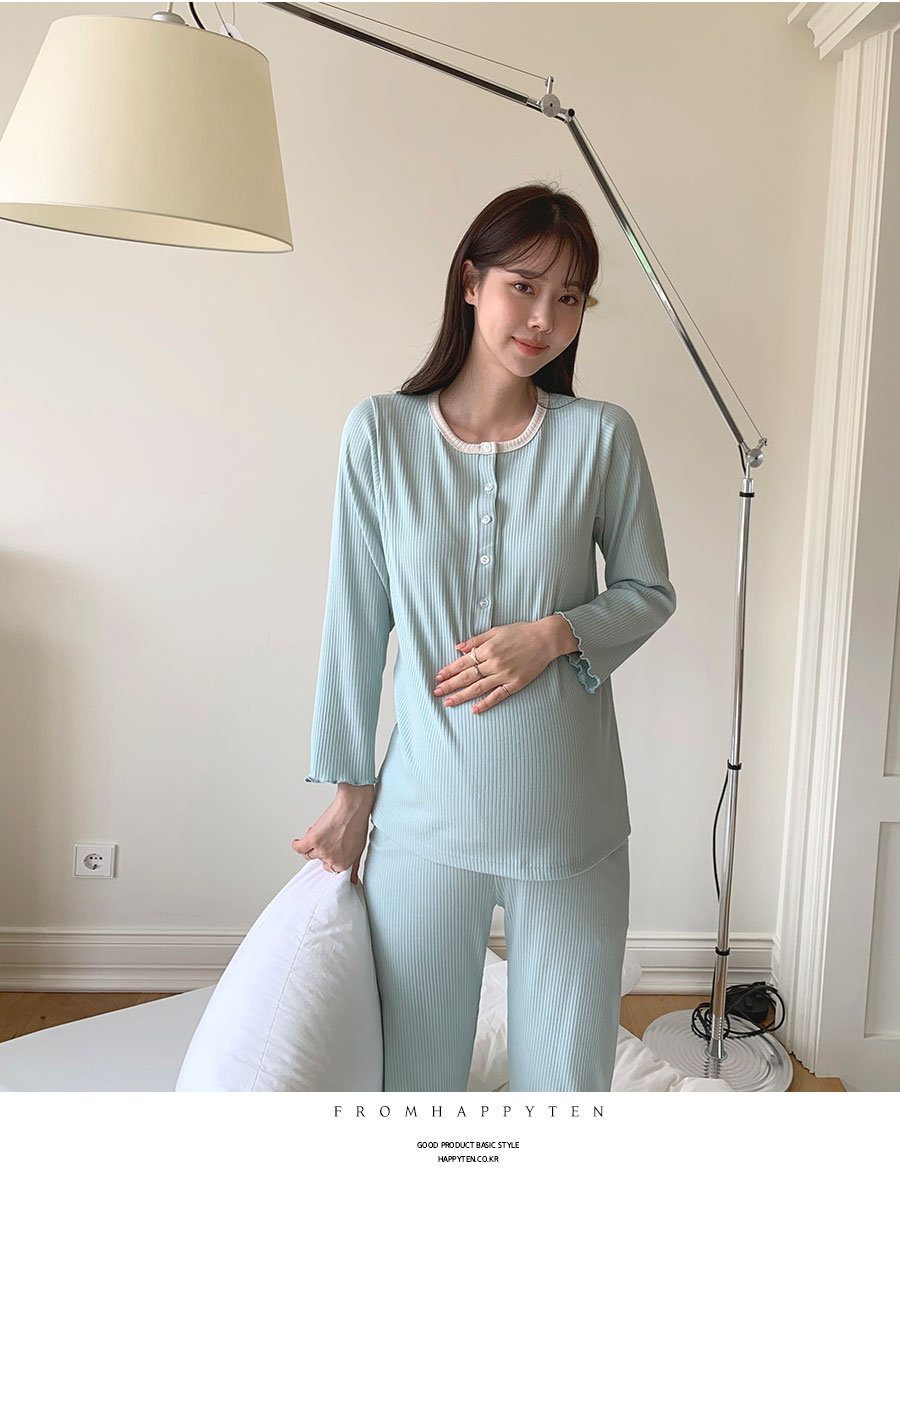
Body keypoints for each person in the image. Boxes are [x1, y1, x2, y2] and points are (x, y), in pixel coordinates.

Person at [294, 182, 676, 1093]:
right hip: (426, 822)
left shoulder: (602, 437)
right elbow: (356, 621)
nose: (545, 318)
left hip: (571, 826)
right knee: (416, 1088)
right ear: (470, 282)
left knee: (567, 1094)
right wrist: (351, 792)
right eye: (523, 286)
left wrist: (554, 634)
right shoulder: (380, 434)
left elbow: (649, 593)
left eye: (570, 296)